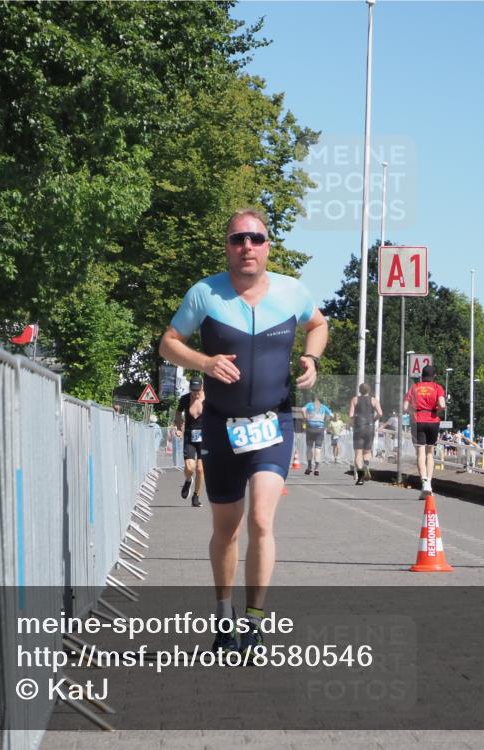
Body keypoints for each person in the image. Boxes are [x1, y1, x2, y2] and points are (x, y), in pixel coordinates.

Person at [158, 208, 328, 654]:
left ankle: (254, 622)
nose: (247, 247)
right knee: (227, 529)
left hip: (273, 422)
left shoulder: (292, 291)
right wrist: (205, 362)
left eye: (255, 239)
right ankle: (223, 616)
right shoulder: (205, 293)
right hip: (220, 426)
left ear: (268, 246)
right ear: (227, 247)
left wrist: (312, 358)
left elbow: (319, 324)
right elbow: (168, 343)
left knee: (261, 519)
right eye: (238, 239)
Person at [403, 364, 446, 494]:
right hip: (433, 421)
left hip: (418, 420)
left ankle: (424, 482)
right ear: (434, 376)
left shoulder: (414, 387)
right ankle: (430, 484)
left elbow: (405, 407)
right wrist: (436, 410)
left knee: (420, 452)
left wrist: (413, 412)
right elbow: (442, 404)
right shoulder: (438, 387)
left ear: (422, 375)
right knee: (430, 453)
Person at [175, 376, 206, 507]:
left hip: (205, 438)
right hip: (190, 436)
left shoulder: (209, 399)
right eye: (193, 390)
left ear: (202, 387)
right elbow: (178, 413)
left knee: (200, 469)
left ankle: (196, 496)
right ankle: (188, 480)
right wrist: (178, 428)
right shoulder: (185, 399)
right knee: (189, 467)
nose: (195, 393)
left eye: (198, 390)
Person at [349, 383, 383, 485]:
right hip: (369, 427)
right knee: (367, 452)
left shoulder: (355, 400)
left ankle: (360, 477)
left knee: (358, 454)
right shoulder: (374, 400)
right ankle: (366, 464)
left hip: (359, 427)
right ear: (369, 390)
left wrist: (353, 424)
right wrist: (374, 419)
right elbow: (380, 413)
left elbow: (351, 415)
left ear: (360, 390)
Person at [302, 394, 332, 476]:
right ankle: (317, 468)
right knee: (318, 449)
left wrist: (305, 418)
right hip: (320, 429)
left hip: (310, 428)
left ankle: (309, 467)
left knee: (309, 447)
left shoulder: (309, 405)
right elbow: (331, 415)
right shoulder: (323, 406)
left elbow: (303, 409)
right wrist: (325, 420)